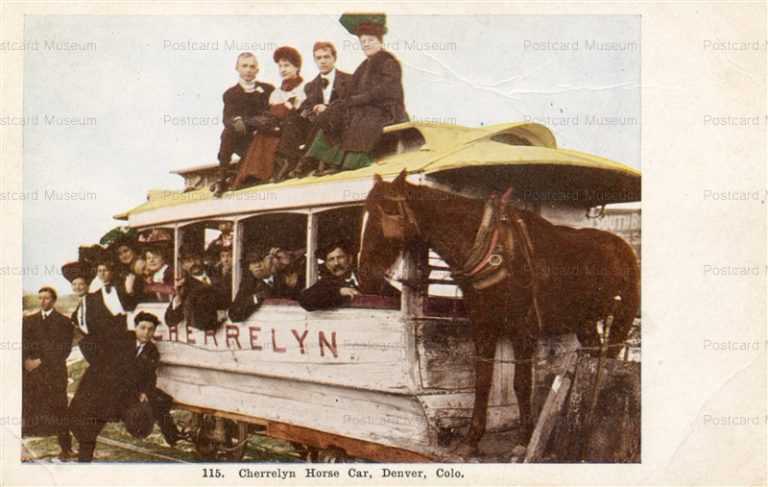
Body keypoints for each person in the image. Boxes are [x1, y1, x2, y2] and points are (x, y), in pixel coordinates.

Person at [311, 14, 408, 176]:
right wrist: (337, 105)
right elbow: (350, 92)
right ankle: (330, 161)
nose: (366, 44)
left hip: (387, 110)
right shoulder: (363, 66)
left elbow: (383, 91)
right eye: (363, 42)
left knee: (363, 117)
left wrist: (356, 100)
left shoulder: (388, 62)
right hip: (366, 107)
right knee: (335, 113)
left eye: (370, 40)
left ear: (380, 41)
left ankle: (352, 163)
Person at [68, 259, 139, 462]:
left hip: (108, 363)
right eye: (75, 285)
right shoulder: (82, 307)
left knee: (89, 412)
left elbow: (115, 324)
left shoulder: (99, 301)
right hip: (98, 363)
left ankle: (85, 458)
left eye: (82, 284)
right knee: (81, 413)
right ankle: (85, 457)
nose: (79, 288)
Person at [231, 46, 306, 189]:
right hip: (277, 127)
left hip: (297, 127)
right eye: (280, 66)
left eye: (287, 66)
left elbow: (302, 111)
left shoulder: (304, 87)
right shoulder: (276, 92)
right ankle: (254, 174)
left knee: (275, 126)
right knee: (263, 130)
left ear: (297, 67)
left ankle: (280, 165)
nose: (283, 69)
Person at [22, 286, 75, 460]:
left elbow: (64, 350)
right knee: (27, 407)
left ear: (53, 300)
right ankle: (21, 450)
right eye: (40, 298)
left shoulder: (64, 322)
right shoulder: (28, 321)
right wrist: (26, 361)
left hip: (54, 373)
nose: (43, 301)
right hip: (31, 372)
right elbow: (23, 344)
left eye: (46, 298)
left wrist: (40, 361)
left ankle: (66, 448)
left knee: (60, 410)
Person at [285, 41, 352, 179]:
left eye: (326, 57)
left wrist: (328, 108)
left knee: (325, 116)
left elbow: (349, 102)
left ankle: (306, 162)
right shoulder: (310, 86)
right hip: (317, 123)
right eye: (319, 58)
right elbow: (305, 106)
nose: (323, 61)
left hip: (340, 121)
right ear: (315, 60)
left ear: (334, 58)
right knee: (291, 120)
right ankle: (292, 161)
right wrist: (312, 109)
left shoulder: (349, 79)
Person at [214, 52, 276, 197]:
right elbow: (227, 118)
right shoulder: (231, 93)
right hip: (243, 139)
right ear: (237, 68)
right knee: (227, 132)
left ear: (257, 70)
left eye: (252, 66)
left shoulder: (267, 89)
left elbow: (271, 114)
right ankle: (222, 175)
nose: (248, 70)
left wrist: (247, 121)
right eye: (244, 66)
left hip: (263, 136)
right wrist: (236, 121)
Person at [132, 312, 188, 447]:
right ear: (135, 327)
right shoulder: (124, 344)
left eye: (150, 329)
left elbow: (150, 375)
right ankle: (169, 434)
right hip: (120, 385)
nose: (146, 333)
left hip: (137, 387)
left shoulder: (152, 350)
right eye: (143, 328)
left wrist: (144, 392)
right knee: (155, 402)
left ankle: (172, 435)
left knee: (163, 400)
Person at [299, 239, 398, 311]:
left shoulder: (367, 276)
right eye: (331, 259)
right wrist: (340, 291)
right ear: (327, 265)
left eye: (340, 257)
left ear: (350, 259)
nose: (336, 263)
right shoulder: (327, 283)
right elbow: (305, 299)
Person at [165, 245, 230, 331]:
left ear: (202, 258)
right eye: (188, 261)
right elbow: (170, 320)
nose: (193, 263)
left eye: (196, 259)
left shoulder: (217, 272)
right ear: (183, 265)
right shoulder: (185, 286)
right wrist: (178, 298)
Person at [228, 247, 275, 322]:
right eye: (253, 263)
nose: (258, 265)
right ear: (249, 267)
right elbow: (234, 314)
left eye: (261, 261)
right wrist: (255, 298)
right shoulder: (248, 284)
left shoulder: (280, 279)